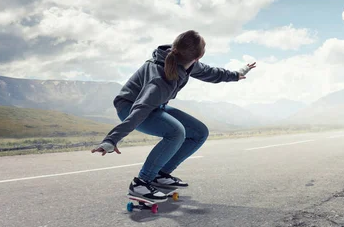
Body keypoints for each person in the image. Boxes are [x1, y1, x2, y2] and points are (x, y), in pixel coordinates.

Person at [91, 30, 256, 202]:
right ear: (199, 56)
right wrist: (112, 139)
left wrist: (237, 74)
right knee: (176, 132)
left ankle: (160, 175)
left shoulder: (188, 63)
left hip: (154, 106)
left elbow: (212, 72)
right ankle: (141, 183)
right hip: (130, 107)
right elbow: (140, 110)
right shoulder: (159, 79)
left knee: (199, 132)